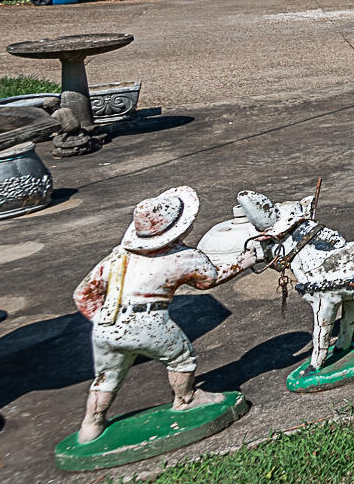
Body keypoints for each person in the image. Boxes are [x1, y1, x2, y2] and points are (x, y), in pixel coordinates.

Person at [71, 186, 268, 444]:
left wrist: (104, 319)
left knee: (107, 377)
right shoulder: (184, 257)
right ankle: (186, 399)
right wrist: (248, 259)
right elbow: (211, 279)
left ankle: (91, 424)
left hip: (107, 324)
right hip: (148, 320)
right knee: (181, 359)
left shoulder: (118, 256)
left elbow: (82, 295)